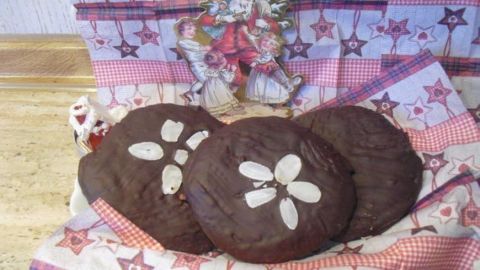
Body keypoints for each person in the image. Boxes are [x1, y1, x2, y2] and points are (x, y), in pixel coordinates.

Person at [246, 32, 302, 105]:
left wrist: (257, 60)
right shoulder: (258, 49)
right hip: (260, 71)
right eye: (265, 40)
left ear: (274, 47)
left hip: (271, 69)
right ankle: (287, 84)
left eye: (271, 43)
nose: (267, 43)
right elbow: (252, 42)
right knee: (261, 85)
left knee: (277, 77)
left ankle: (287, 84)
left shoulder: (270, 52)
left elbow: (268, 57)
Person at [175, 18, 211, 102]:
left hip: (202, 64)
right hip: (197, 65)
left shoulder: (194, 42)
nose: (192, 31)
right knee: (207, 81)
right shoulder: (182, 42)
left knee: (203, 81)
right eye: (189, 29)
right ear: (181, 31)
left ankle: (189, 94)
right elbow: (200, 49)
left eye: (194, 30)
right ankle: (207, 98)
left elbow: (203, 52)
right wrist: (207, 48)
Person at [199, 49, 241, 115]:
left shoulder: (217, 70)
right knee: (217, 98)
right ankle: (218, 112)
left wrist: (230, 71)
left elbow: (228, 79)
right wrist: (230, 70)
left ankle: (222, 111)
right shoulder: (214, 70)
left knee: (219, 98)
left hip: (214, 87)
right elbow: (226, 78)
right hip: (214, 87)